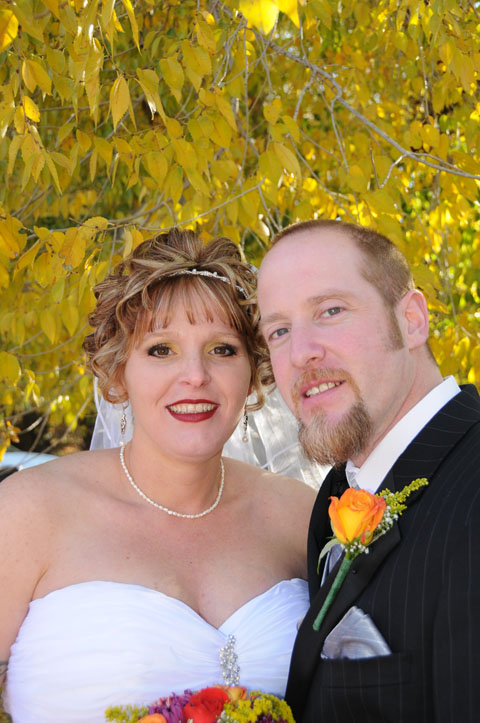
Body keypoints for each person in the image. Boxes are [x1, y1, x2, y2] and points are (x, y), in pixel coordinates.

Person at [0, 229, 316, 722]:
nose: (195, 375)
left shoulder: (301, 515)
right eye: (161, 349)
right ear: (118, 373)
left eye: (222, 349)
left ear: (253, 373)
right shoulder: (26, 512)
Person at [257, 219, 480, 722]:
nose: (300, 353)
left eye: (330, 311)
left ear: (411, 320)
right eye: (279, 331)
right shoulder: (337, 494)